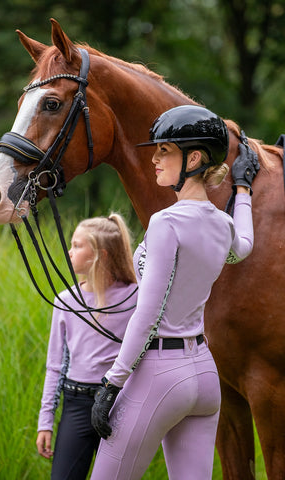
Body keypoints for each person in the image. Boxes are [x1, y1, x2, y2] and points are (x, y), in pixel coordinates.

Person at [90, 105, 260, 480]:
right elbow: (244, 245)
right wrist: (243, 187)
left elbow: (148, 313)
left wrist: (111, 382)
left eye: (164, 150)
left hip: (159, 373)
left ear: (193, 157)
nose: (154, 159)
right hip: (203, 374)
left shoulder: (166, 222)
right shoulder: (222, 223)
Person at [36, 213, 138, 480]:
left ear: (100, 256)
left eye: (77, 246)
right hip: (76, 404)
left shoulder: (135, 297)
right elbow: (55, 366)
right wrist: (45, 421)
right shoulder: (65, 300)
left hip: (119, 403)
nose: (70, 252)